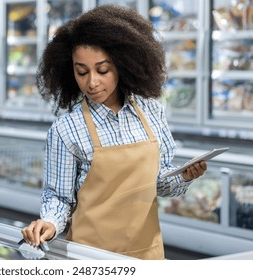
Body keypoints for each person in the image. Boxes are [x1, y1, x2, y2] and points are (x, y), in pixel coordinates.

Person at [21, 4, 207, 260]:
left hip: (148, 256)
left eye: (103, 70)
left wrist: (185, 176)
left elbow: (159, 184)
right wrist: (50, 224)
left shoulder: (152, 111)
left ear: (122, 64)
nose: (92, 82)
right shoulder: (66, 129)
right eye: (82, 72)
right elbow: (59, 197)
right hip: (89, 258)